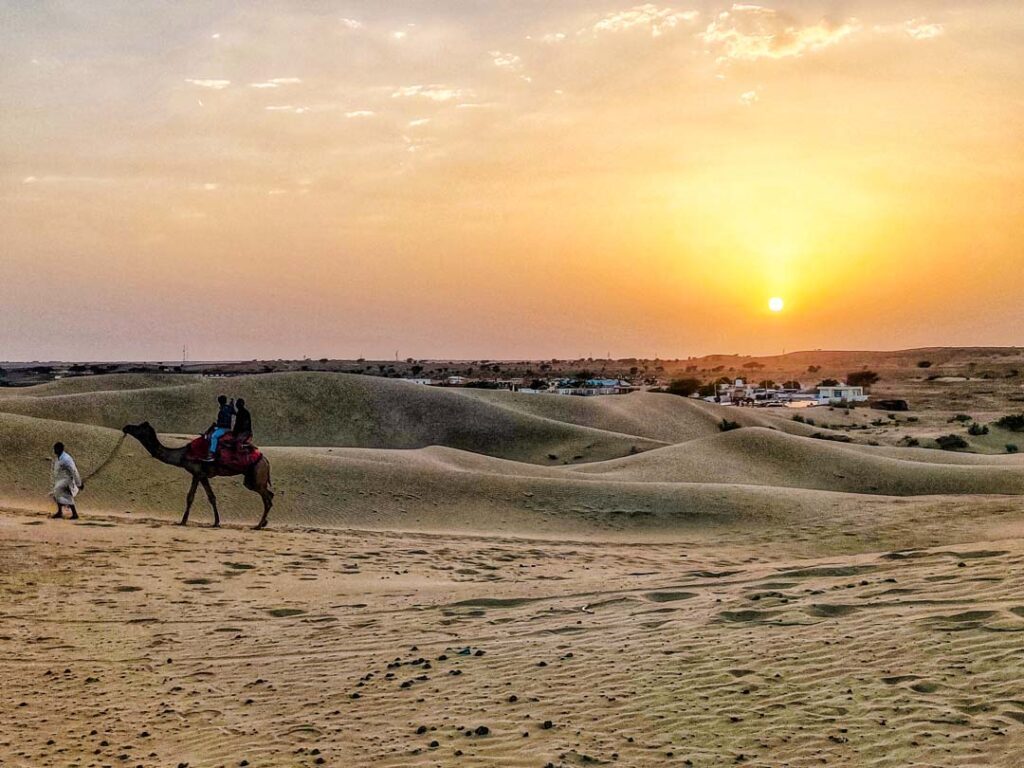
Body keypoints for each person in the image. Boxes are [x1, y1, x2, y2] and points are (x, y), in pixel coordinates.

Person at [51, 442, 83, 519]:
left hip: (67, 481)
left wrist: (79, 483)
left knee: (67, 496)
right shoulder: (58, 458)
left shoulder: (66, 459)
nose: (54, 450)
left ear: (60, 449)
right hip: (60, 479)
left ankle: (75, 514)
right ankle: (60, 512)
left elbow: (74, 471)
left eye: (56, 448)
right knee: (57, 494)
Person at [205, 395, 235, 462]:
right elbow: (233, 412)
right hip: (227, 428)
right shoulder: (229, 407)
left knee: (214, 436)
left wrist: (215, 426)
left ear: (219, 402)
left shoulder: (222, 410)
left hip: (223, 429)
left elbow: (222, 422)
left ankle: (211, 454)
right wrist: (232, 404)